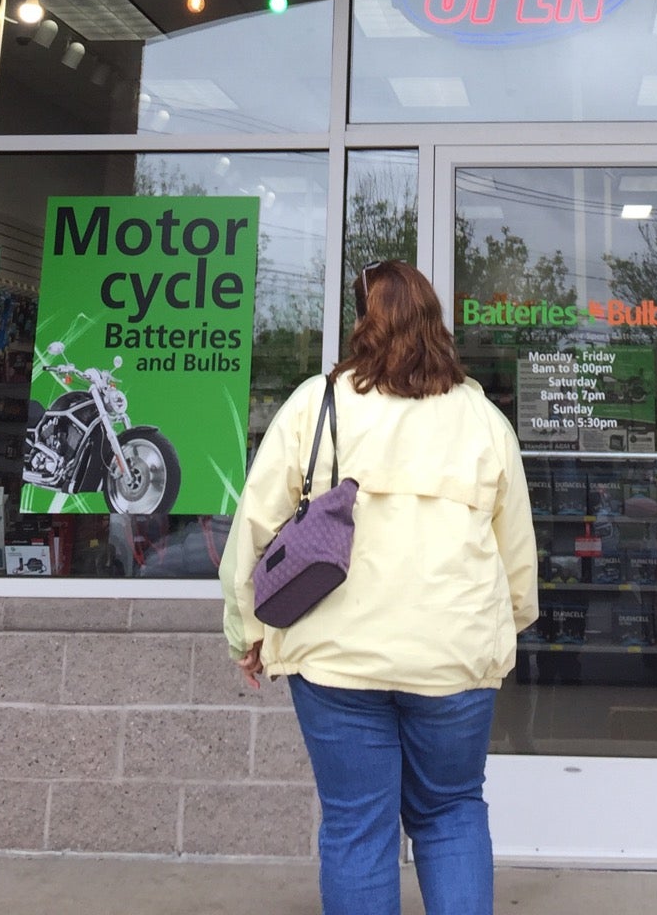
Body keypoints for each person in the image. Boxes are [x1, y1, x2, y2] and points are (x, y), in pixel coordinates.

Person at [220, 259, 538, 915]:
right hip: (453, 658)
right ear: (433, 321)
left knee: (356, 827)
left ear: (361, 322)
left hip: (336, 659)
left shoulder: (318, 403)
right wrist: (502, 632)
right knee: (451, 812)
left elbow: (253, 527)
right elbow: (517, 557)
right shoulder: (483, 419)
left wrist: (247, 630)